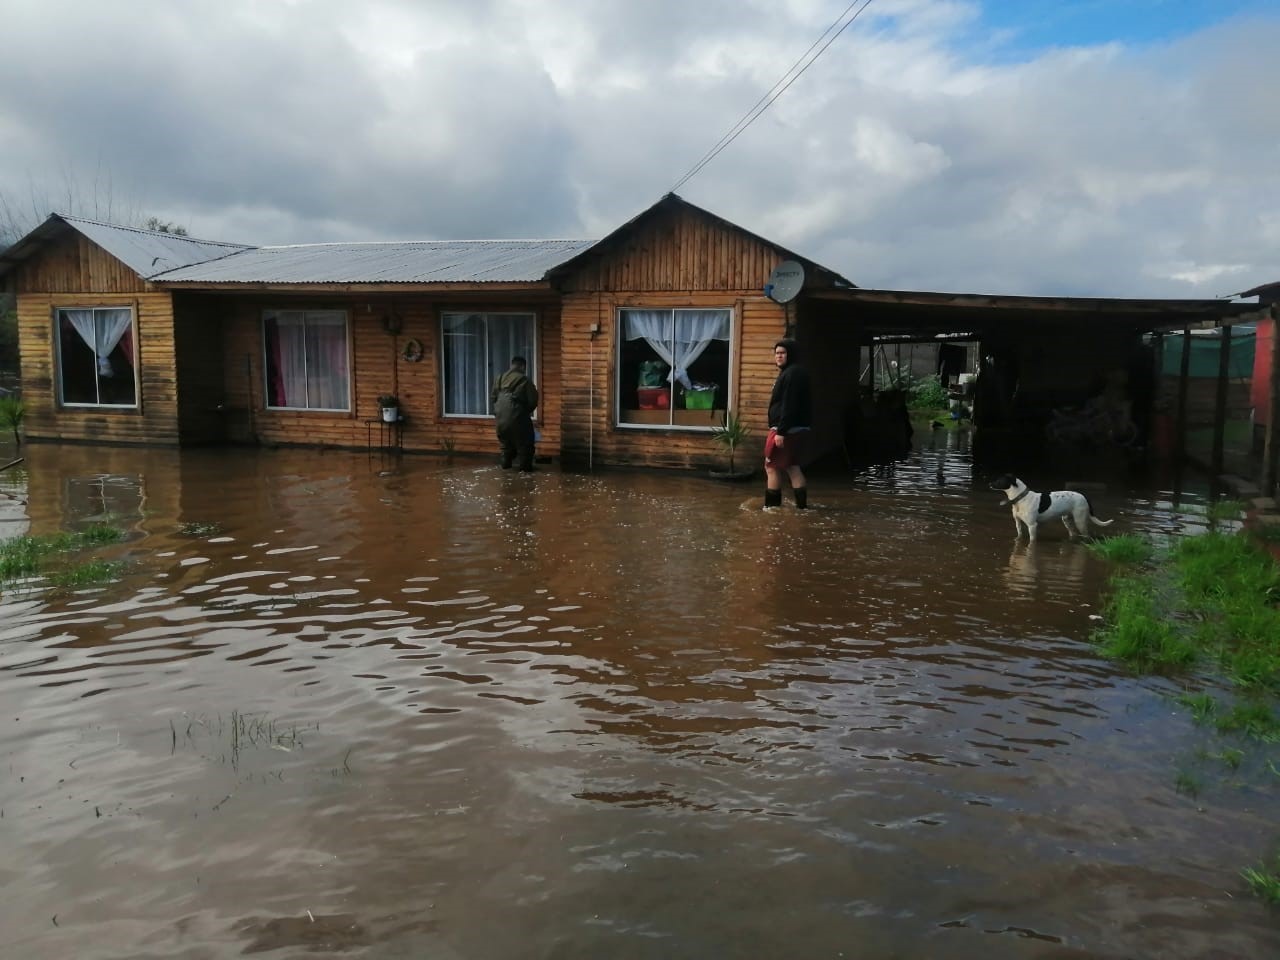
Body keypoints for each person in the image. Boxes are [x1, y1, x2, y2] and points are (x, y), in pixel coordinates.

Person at [764, 338, 812, 509]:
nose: (779, 356)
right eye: (777, 353)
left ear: (790, 354)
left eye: (782, 353)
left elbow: (789, 404)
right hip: (793, 428)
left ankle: (771, 508)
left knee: (771, 466)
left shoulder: (792, 374)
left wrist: (781, 431)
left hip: (786, 429)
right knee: (792, 466)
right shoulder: (792, 372)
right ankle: (801, 508)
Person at [490, 356, 539, 471]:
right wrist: (524, 412)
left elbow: (493, 398)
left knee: (506, 446)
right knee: (525, 447)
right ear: (522, 366)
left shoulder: (499, 379)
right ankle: (526, 474)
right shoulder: (524, 380)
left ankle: (505, 469)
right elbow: (533, 401)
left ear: (511, 365)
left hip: (500, 422)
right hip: (518, 420)